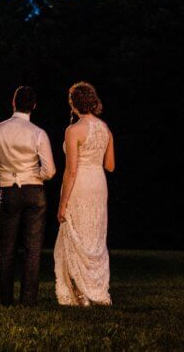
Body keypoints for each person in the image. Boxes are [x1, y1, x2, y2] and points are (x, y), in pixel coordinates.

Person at [0, 86, 57, 306]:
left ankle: (6, 300)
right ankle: (28, 300)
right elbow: (50, 171)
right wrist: (32, 174)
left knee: (7, 249)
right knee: (32, 249)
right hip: (34, 191)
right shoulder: (38, 133)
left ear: (13, 103)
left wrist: (5, 171)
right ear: (34, 106)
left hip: (9, 191)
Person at [53, 81, 115, 306]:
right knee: (95, 236)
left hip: (80, 184)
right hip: (98, 184)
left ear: (73, 104)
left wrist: (62, 205)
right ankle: (96, 290)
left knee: (77, 231)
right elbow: (110, 165)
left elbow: (71, 171)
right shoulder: (105, 128)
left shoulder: (73, 130)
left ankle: (80, 293)